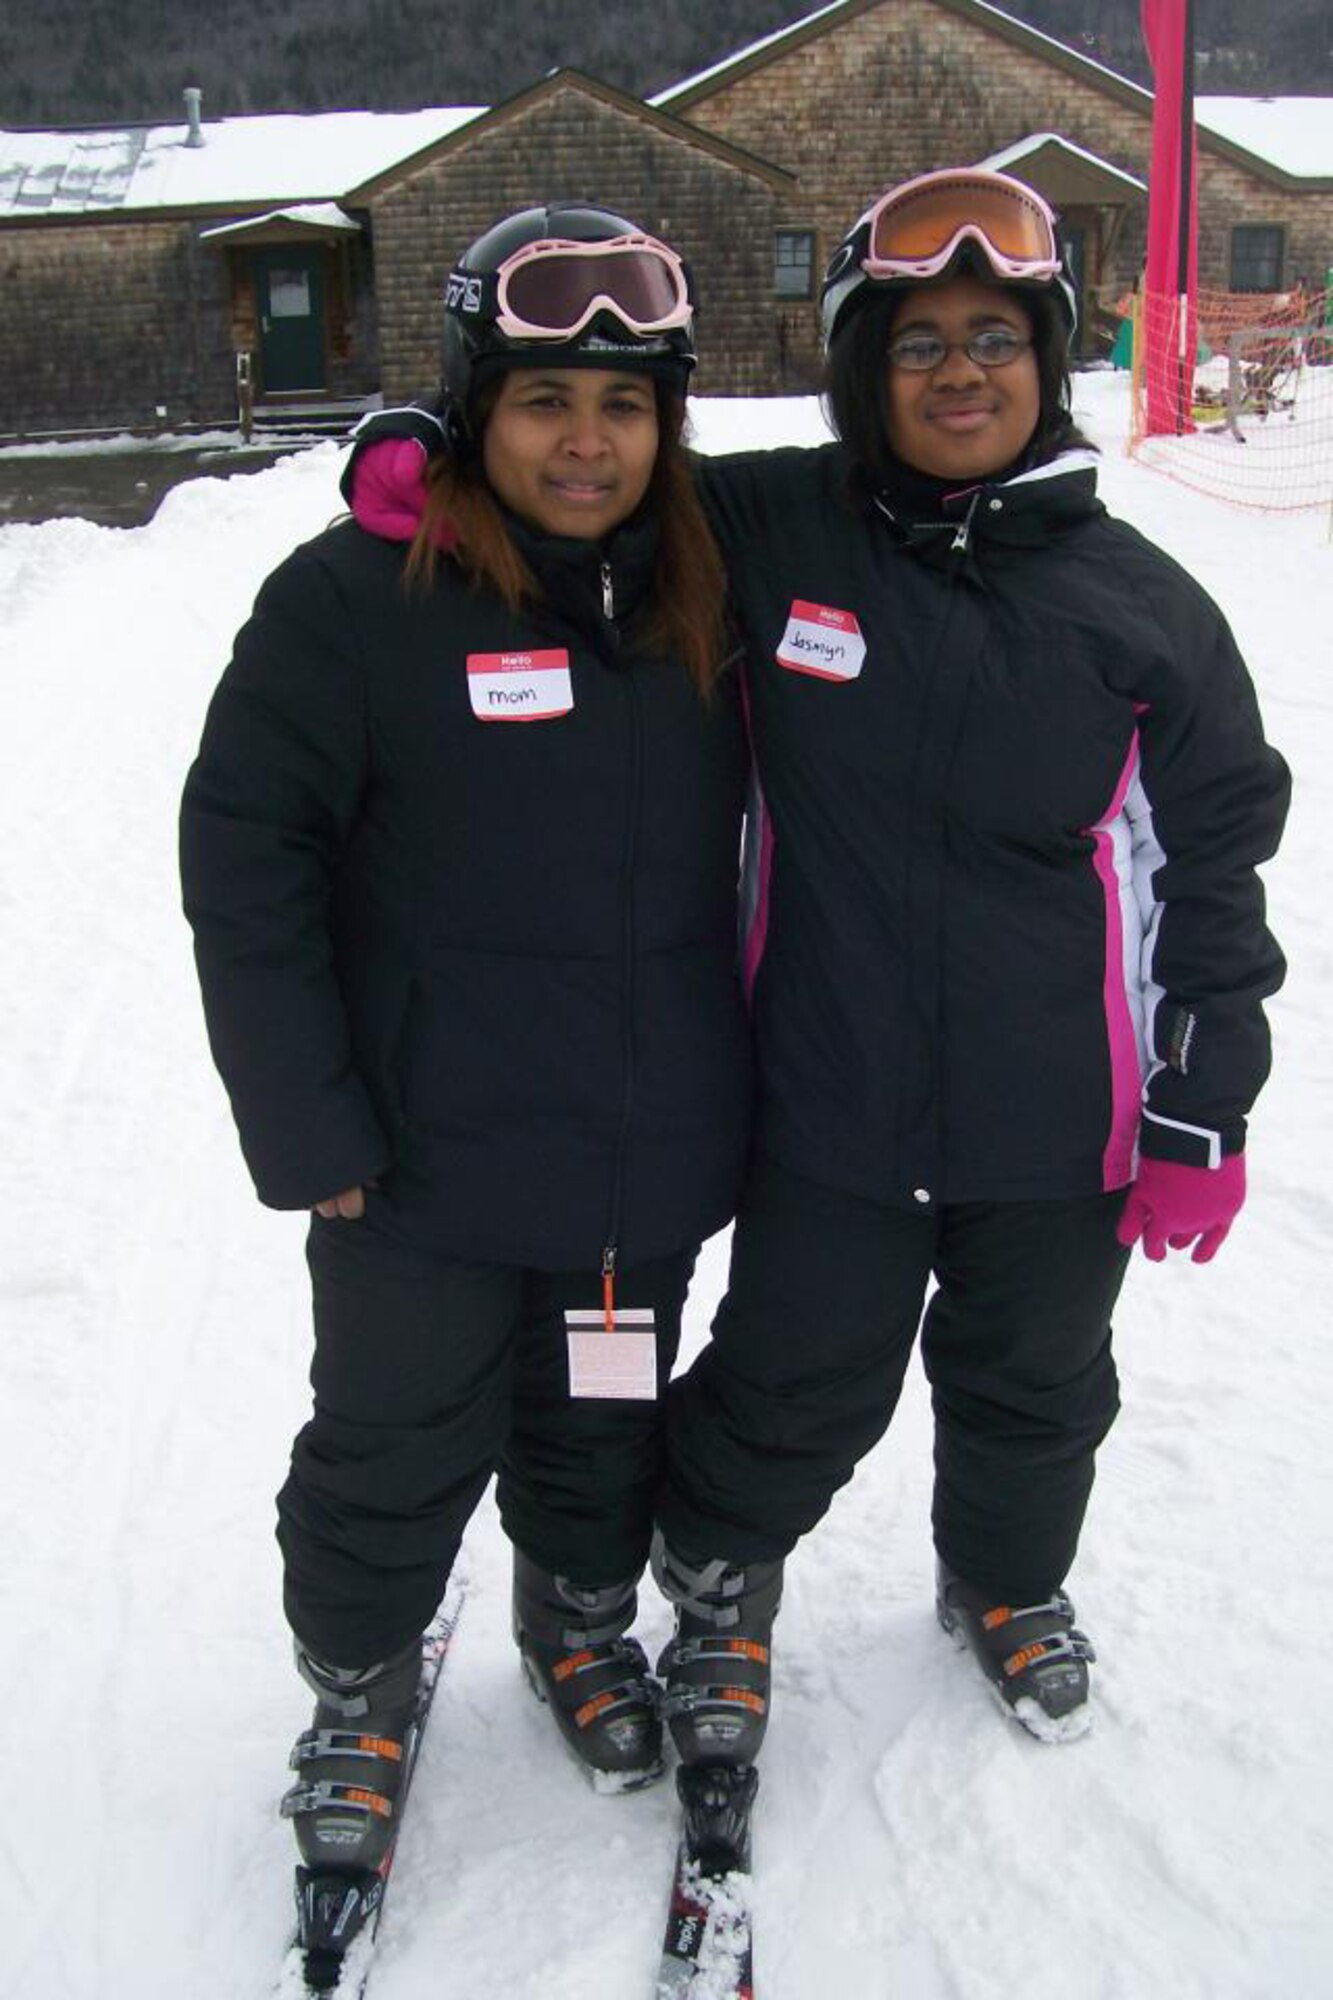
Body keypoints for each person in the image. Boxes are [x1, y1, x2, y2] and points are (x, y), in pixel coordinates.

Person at [343, 168, 1289, 1767]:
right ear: (864, 370)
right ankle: (718, 1577)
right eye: (915, 345)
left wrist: (1205, 1107)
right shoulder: (775, 526)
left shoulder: (1143, 613)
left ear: (1047, 361)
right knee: (793, 1373)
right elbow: (594, 471)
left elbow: (1211, 872)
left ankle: (1006, 1582)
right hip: (827, 1101)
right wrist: (429, 456)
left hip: (1060, 1120)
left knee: (1037, 1382)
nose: (958, 373)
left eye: (994, 338)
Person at [179, 200, 755, 1924]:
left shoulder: (708, 587)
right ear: (469, 408)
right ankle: (358, 1691)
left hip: (636, 1148)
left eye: (625, 405)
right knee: (392, 1435)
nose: (587, 442)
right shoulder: (356, 598)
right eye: (542, 400)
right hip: (415, 1155)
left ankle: (573, 1623)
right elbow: (243, 861)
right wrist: (301, 1118)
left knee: (597, 1420)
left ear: (668, 429)